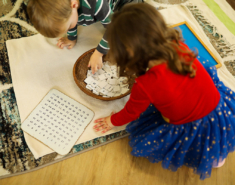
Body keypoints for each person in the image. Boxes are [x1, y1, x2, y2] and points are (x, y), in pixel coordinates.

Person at [93, 3, 235, 180]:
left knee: (178, 136)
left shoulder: (145, 84)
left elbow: (132, 112)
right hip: (220, 112)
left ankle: (209, 156)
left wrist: (111, 120)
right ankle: (217, 155)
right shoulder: (178, 45)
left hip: (192, 126)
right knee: (213, 139)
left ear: (128, 54)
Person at [27, 0, 142, 74]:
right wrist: (71, 37)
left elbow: (114, 27)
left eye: (70, 27)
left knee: (129, 25)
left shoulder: (95, 3)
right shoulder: (68, 7)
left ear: (74, 5)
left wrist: (99, 52)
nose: (69, 30)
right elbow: (69, 17)